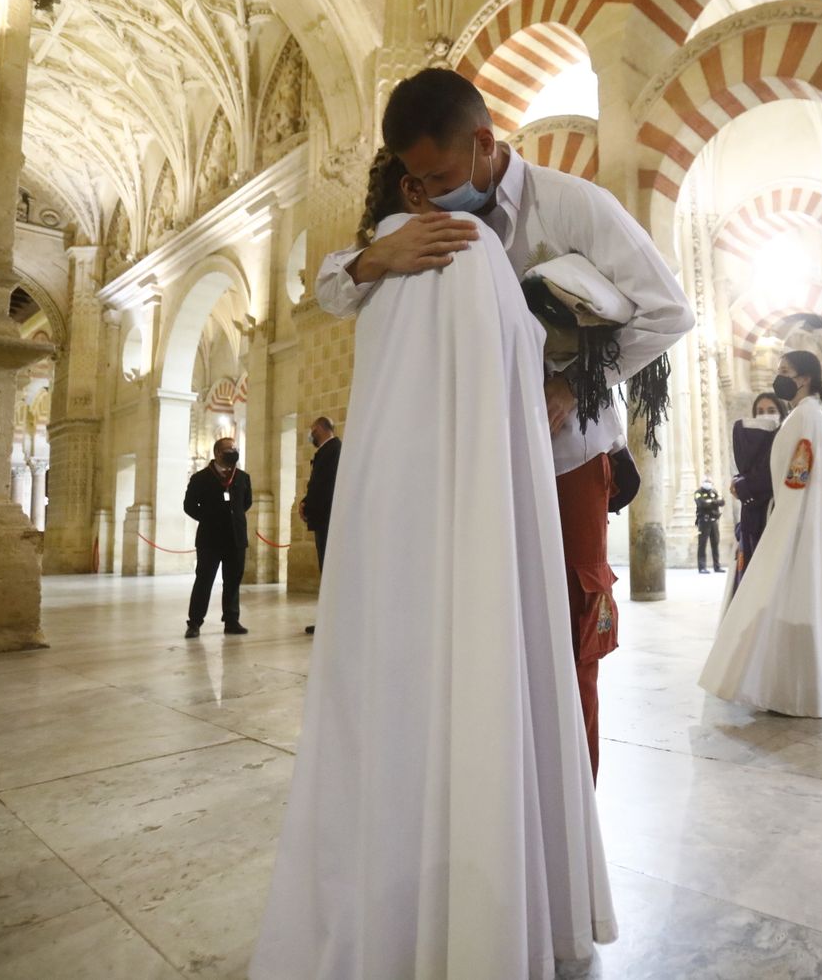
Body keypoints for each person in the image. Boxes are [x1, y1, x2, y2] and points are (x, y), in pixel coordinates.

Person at [251, 151, 614, 980]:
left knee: (391, 694)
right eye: (449, 168)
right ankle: (493, 903)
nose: (470, 182)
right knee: (484, 677)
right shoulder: (464, 249)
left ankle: (390, 898)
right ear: (418, 186)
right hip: (476, 499)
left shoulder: (396, 258)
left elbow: (334, 288)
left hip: (396, 512)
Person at [314, 68, 693, 777]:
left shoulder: (573, 205)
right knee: (484, 631)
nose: (431, 190)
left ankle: (571, 804)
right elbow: (331, 291)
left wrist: (571, 383)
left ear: (485, 143)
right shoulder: (429, 216)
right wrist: (374, 257)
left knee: (568, 633)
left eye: (441, 174)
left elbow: (669, 312)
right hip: (468, 469)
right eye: (417, 178)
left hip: (563, 457)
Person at [698, 351, 822, 718]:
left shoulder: (806, 415)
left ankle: (795, 691)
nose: (779, 377)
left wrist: (784, 518)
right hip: (798, 515)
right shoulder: (809, 414)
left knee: (787, 595)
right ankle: (791, 688)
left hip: (797, 519)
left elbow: (798, 475)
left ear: (804, 378)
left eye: (785, 371)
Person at [183, 437, 251, 638]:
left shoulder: (242, 477)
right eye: (229, 449)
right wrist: (208, 518)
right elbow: (189, 506)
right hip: (210, 539)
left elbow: (246, 503)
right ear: (218, 453)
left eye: (235, 448)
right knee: (204, 581)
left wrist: (233, 518)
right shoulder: (200, 478)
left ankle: (231, 620)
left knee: (233, 581)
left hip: (235, 538)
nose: (234, 451)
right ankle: (195, 622)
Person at [727, 393, 786, 594]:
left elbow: (771, 475)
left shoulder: (784, 438)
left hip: (774, 513)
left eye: (771, 410)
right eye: (760, 411)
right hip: (751, 517)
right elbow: (751, 470)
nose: (765, 415)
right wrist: (740, 481)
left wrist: (743, 486)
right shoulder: (748, 439)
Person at [298, 416, 341, 636]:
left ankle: (331, 621)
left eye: (313, 430)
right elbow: (316, 485)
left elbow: (326, 488)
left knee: (330, 571)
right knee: (326, 571)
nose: (311, 435)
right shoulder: (327, 450)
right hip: (323, 518)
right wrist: (305, 502)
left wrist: (311, 509)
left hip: (327, 519)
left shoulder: (333, 450)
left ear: (322, 429)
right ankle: (327, 620)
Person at [694, 478, 725, 573]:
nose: (708, 483)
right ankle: (702, 567)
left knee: (715, 543)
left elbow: (722, 502)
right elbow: (701, 504)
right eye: (706, 482)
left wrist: (711, 502)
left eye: (709, 482)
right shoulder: (698, 492)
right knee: (702, 544)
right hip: (704, 521)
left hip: (714, 520)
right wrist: (714, 502)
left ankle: (717, 566)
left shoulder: (714, 492)